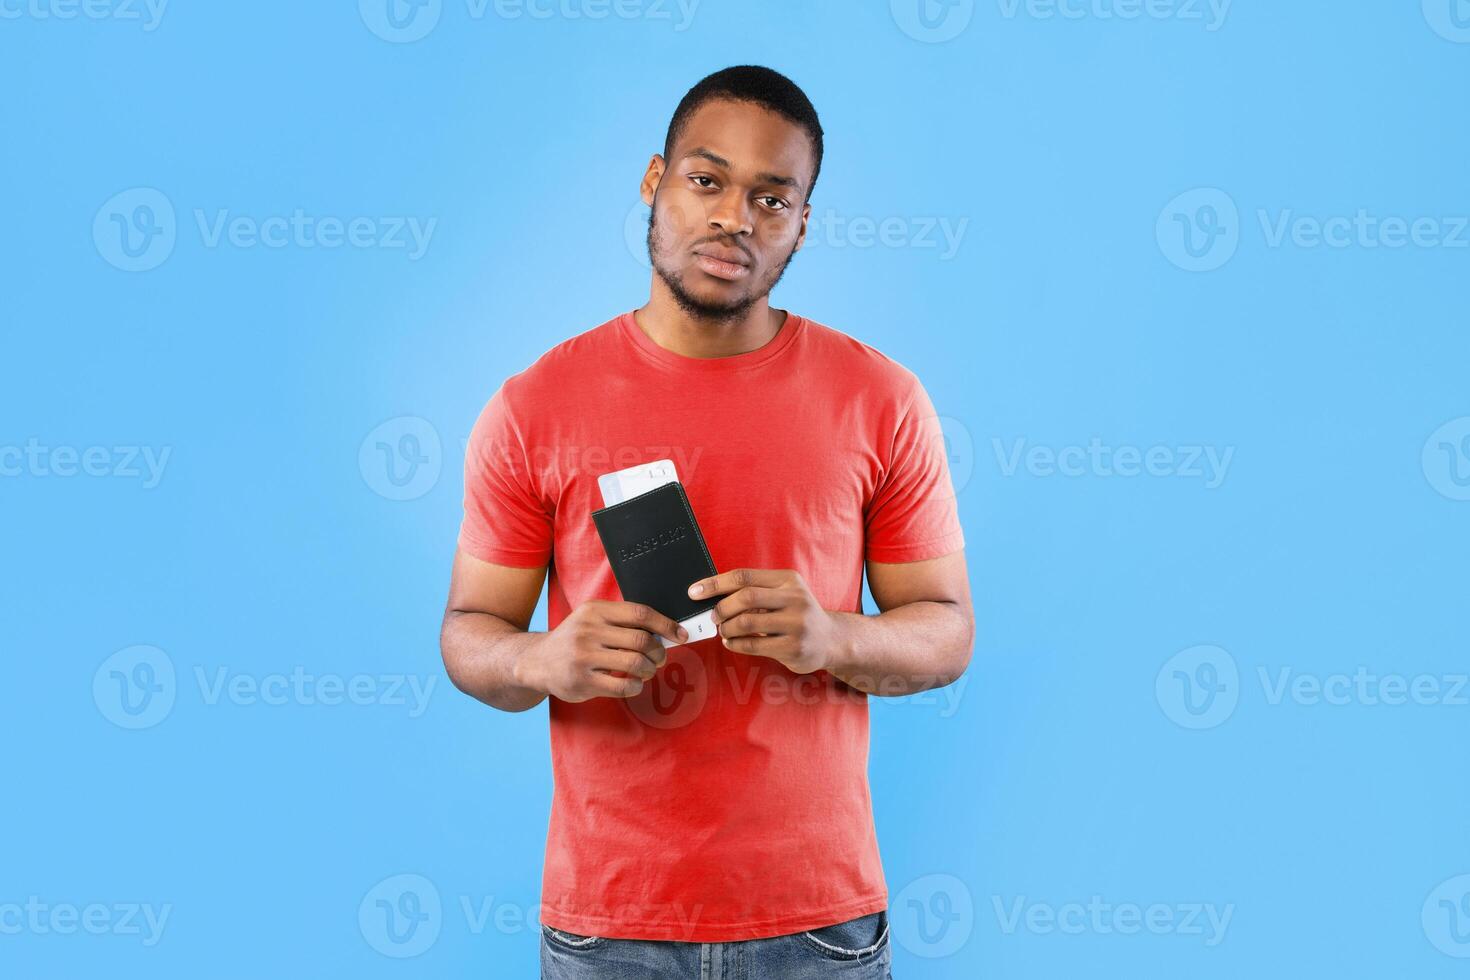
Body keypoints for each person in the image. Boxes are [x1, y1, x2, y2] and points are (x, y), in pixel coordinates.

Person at [440, 64, 973, 979]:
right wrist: (542, 659)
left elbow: (948, 633)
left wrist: (832, 635)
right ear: (655, 181)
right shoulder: (535, 408)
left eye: (773, 197)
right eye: (707, 180)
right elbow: (468, 634)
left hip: (817, 924)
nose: (735, 216)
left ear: (802, 223)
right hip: (610, 922)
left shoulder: (881, 401)